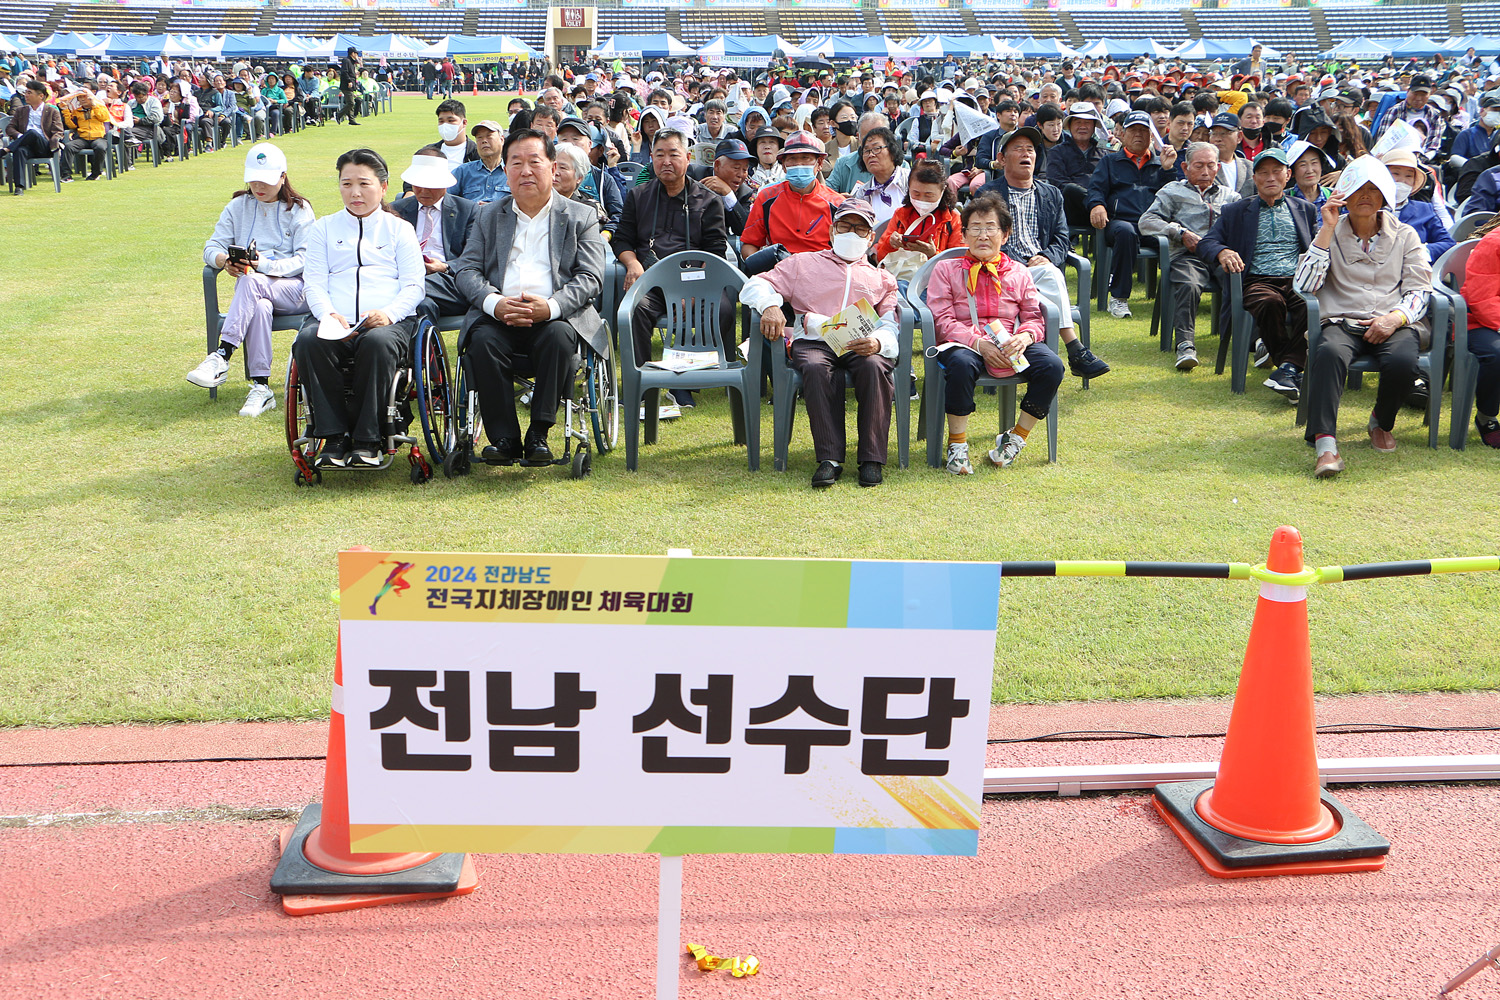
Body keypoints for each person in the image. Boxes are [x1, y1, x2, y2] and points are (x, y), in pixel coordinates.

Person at [453, 128, 607, 465]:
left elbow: (591, 277)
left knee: (558, 337)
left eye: (534, 162)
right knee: (482, 342)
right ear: (505, 170)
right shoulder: (488, 215)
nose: (525, 171)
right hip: (499, 316)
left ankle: (539, 433)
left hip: (555, 317)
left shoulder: (580, 216)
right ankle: (504, 439)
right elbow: (466, 270)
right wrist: (495, 303)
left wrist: (549, 308)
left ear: (553, 169)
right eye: (516, 163)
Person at [740, 199, 900, 489]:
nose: (851, 233)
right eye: (844, 226)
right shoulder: (802, 263)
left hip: (861, 343)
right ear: (831, 231)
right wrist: (770, 306)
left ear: (871, 237)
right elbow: (757, 284)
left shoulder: (882, 278)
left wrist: (878, 342)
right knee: (815, 368)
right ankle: (830, 458)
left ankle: (872, 458)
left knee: (875, 367)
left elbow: (891, 322)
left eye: (860, 228)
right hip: (815, 342)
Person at [1294, 156, 1431, 478]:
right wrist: (1326, 231)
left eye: (1374, 190)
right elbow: (1304, 286)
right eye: (1358, 189)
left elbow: (1420, 289)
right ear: (1344, 196)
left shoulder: (1406, 234)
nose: (1366, 196)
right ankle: (1325, 443)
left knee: (1402, 361)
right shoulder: (1328, 231)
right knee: (1327, 353)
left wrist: (1395, 318)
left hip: (1392, 318)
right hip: (1341, 319)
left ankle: (1381, 422)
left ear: (1384, 196)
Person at [293, 148, 423, 466]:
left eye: (364, 184)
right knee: (309, 340)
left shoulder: (399, 229)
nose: (355, 192)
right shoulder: (323, 228)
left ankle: (368, 439)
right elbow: (313, 283)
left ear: (382, 185)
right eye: (346, 184)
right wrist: (327, 314)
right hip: (336, 319)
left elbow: (415, 286)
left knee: (378, 343)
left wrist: (389, 313)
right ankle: (333, 437)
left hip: (386, 322)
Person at [926, 194, 1066, 475]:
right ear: (963, 234)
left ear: (1005, 234)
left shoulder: (1019, 272)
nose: (983, 235)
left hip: (1010, 340)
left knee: (1052, 366)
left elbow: (1033, 318)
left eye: (991, 227)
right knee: (962, 364)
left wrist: (1024, 338)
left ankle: (1016, 438)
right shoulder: (945, 269)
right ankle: (957, 444)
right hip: (963, 340)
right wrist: (977, 343)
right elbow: (942, 319)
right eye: (975, 228)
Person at [189, 144, 314, 417]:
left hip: (296, 290)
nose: (259, 186)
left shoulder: (300, 210)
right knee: (259, 306)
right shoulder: (238, 207)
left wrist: (263, 265)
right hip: (255, 294)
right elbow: (211, 248)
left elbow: (306, 260)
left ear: (283, 177)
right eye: (253, 178)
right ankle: (261, 387)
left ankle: (221, 355)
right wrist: (225, 261)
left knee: (252, 281)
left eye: (266, 180)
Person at [979, 127, 1110, 380]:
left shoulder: (1051, 194)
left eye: (1030, 149)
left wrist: (1048, 255)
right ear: (1002, 158)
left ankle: (1053, 359)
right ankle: (1074, 348)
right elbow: (986, 239)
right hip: (1003, 270)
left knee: (1048, 272)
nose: (1026, 154)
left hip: (1041, 269)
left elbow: (1063, 237)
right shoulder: (988, 194)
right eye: (1018, 149)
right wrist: (1020, 265)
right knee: (1049, 276)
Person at [612, 124, 729, 396]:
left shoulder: (708, 201)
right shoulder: (638, 196)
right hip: (652, 281)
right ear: (651, 158)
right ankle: (643, 380)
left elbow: (715, 252)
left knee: (720, 308)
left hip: (696, 280)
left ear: (688, 158)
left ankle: (689, 379)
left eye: (674, 154)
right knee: (634, 308)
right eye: (660, 154)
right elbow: (622, 239)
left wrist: (694, 289)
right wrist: (632, 264)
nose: (666, 161)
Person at [1199, 147, 1321, 403]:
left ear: (1288, 175)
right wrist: (1222, 252)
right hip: (1257, 280)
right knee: (1270, 303)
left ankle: (1287, 370)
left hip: (1298, 280)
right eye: (1263, 173)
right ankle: (1290, 367)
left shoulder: (1305, 209)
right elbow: (1207, 242)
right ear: (1254, 179)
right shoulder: (1236, 211)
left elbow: (1319, 246)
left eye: (1277, 172)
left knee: (1314, 308)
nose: (1270, 178)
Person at [1140, 141, 1239, 371]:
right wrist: (1180, 232)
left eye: (1211, 166)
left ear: (1218, 168)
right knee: (1189, 283)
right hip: (1187, 255)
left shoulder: (1231, 196)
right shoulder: (1172, 191)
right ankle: (1185, 344)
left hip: (1219, 254)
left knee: (1242, 278)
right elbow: (1147, 221)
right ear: (1185, 167)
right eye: (1199, 166)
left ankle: (1255, 339)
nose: (1205, 172)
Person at [1088, 110, 1180, 319]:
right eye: (1133, 130)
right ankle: (1119, 298)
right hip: (1120, 222)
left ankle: (1175, 298)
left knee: (1177, 238)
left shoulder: (1160, 163)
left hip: (1153, 223)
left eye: (1143, 131)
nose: (1138, 135)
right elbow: (1095, 190)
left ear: (1151, 136)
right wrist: (1097, 206)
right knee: (1126, 232)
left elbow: (1172, 197)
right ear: (1123, 134)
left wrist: (1167, 169)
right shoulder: (1110, 162)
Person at [390, 151, 477, 329]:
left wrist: (444, 266)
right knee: (423, 305)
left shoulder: (468, 211)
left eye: (430, 185)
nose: (423, 191)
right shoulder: (396, 211)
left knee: (398, 289)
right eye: (418, 185)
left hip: (450, 281)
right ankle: (420, 356)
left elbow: (475, 259)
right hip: (407, 276)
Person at [740, 130, 846, 256]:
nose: (799, 164)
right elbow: (750, 244)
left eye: (806, 158)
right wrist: (763, 268)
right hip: (779, 270)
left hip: (822, 270)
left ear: (819, 164)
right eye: (792, 159)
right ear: (784, 166)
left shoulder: (837, 203)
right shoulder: (767, 197)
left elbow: (846, 251)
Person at [1456, 214, 1500, 448]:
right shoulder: (1494, 243)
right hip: (1478, 322)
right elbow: (1481, 298)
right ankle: (1487, 416)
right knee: (1497, 354)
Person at [874, 157, 963, 267]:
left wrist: (933, 254)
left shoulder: (953, 219)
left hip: (937, 280)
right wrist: (890, 243)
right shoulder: (901, 214)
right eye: (916, 194)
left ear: (942, 191)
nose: (922, 200)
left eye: (929, 195)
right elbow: (880, 257)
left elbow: (958, 264)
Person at [1380, 148, 1455, 265]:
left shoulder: (1424, 210)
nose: (1402, 181)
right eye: (1395, 173)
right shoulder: (1367, 208)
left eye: (1409, 176)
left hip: (1413, 272)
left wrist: (1420, 250)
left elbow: (1447, 243)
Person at [688, 137, 755, 236]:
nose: (740, 174)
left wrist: (728, 194)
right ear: (717, 165)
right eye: (736, 168)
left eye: (745, 170)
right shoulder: (694, 175)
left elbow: (744, 230)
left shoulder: (744, 193)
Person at [6, 80, 63, 194]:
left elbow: (58, 131)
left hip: (44, 146)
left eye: (29, 93)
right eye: (26, 92)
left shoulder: (51, 111)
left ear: (41, 96)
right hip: (26, 146)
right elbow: (10, 128)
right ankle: (19, 187)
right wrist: (20, 136)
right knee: (20, 150)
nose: (26, 95)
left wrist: (55, 142)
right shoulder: (21, 111)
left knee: (32, 132)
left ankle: (7, 149)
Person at [849, 126, 908, 226]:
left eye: (877, 148)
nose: (871, 155)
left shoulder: (911, 180)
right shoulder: (863, 193)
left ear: (892, 151)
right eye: (866, 151)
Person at [451, 119, 509, 204]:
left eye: (489, 136)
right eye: (479, 137)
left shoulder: (512, 171)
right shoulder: (463, 171)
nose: (484, 141)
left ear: (502, 140)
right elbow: (445, 199)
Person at [61, 87, 110, 180]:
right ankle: (66, 174)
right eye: (80, 97)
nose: (83, 99)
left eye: (85, 97)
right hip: (83, 138)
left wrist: (94, 105)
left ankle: (95, 173)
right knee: (69, 146)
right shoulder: (77, 111)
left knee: (100, 147)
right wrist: (65, 111)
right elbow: (72, 125)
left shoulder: (100, 107)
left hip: (98, 137)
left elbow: (103, 118)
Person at [553, 141, 605, 226]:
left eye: (563, 168)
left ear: (579, 177)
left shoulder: (586, 208)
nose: (555, 172)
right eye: (552, 166)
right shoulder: (535, 202)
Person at [419, 99, 478, 170]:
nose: (445, 125)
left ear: (464, 123)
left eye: (451, 120)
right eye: (441, 121)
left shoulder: (478, 154)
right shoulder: (428, 153)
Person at [1208, 111, 1254, 198]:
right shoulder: (1204, 168)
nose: (1218, 139)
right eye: (1214, 134)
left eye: (1224, 134)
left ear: (1239, 137)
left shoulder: (1249, 167)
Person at [1286, 139, 1334, 211]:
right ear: (1292, 172)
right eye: (1303, 165)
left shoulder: (1334, 197)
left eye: (1314, 163)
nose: (1310, 170)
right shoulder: (1284, 200)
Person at [339, 46, 362, 127]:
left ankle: (351, 120)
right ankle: (339, 115)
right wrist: (349, 81)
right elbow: (344, 72)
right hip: (347, 85)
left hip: (350, 84)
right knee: (351, 103)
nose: (357, 55)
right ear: (352, 53)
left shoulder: (351, 62)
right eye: (356, 53)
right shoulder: (346, 61)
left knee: (350, 102)